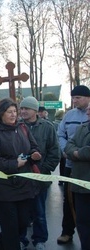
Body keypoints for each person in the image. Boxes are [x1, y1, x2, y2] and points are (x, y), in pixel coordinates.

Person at [0, 98, 41, 250]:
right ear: (1, 114)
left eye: (15, 111)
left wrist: (35, 154)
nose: (14, 114)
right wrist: (14, 164)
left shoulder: (23, 129)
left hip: (24, 186)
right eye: (10, 112)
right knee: (10, 228)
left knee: (23, 222)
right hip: (4, 189)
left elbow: (33, 147)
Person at [19, 96, 61, 250]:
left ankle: (40, 239)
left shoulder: (47, 127)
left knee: (39, 212)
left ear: (35, 111)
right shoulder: (16, 126)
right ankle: (21, 238)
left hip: (40, 177)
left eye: (26, 109)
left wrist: (43, 170)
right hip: (21, 177)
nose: (23, 111)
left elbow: (54, 151)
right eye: (21, 108)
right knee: (22, 211)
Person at [57, 85, 90, 245]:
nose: (75, 100)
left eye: (78, 98)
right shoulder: (69, 115)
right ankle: (67, 231)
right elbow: (61, 135)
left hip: (86, 168)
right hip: (70, 165)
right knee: (69, 199)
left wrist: (78, 152)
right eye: (73, 98)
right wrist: (67, 151)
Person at [65, 103, 90, 250]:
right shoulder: (82, 128)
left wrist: (78, 153)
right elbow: (69, 146)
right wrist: (76, 152)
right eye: (88, 111)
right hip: (80, 184)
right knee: (82, 222)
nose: (87, 113)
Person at [53, 110, 66, 186]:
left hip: (56, 147)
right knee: (63, 164)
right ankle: (62, 179)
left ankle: (60, 180)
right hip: (61, 146)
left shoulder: (53, 124)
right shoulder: (63, 124)